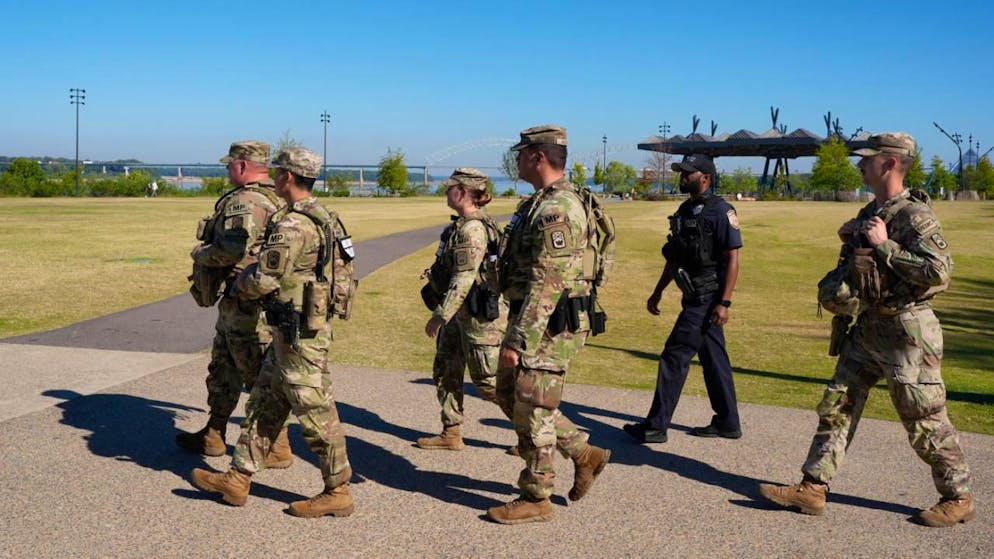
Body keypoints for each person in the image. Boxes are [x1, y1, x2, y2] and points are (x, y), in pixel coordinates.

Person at [759, 132, 974, 528]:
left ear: (890, 162)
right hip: (867, 327)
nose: (860, 163)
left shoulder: (914, 216)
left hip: (907, 333)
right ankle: (813, 487)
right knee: (837, 404)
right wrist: (853, 245)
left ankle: (957, 496)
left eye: (868, 158)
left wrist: (884, 245)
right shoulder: (870, 212)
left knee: (923, 418)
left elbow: (938, 272)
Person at [192, 147, 356, 518]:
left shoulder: (294, 225)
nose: (275, 177)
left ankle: (338, 490)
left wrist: (238, 287)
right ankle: (238, 478)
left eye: (278, 172)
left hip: (298, 333)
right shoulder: (326, 216)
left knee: (316, 413)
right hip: (294, 328)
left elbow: (265, 278)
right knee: (264, 402)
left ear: (286, 177)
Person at [487, 125, 611, 525]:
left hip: (547, 324)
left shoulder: (558, 209)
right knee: (509, 394)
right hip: (532, 317)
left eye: (522, 153)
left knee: (534, 406)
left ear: (538, 157)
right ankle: (582, 452)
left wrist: (519, 339)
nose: (517, 159)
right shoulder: (538, 202)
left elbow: (548, 281)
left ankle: (536, 497)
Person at [177, 140, 293, 469]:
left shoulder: (246, 200)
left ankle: (278, 444)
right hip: (239, 302)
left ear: (242, 165)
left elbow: (231, 252)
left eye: (230, 165)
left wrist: (199, 253)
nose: (227, 170)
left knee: (257, 371)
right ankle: (214, 433)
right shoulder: (273, 197)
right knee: (223, 366)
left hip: (248, 303)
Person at [623, 154, 742, 444]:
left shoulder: (721, 211)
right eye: (681, 172)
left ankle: (656, 426)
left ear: (705, 177)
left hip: (707, 297)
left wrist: (724, 303)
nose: (682, 176)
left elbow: (733, 259)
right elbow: (675, 257)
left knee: (674, 355)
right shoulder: (685, 210)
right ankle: (728, 422)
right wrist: (658, 290)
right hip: (692, 295)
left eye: (688, 172)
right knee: (714, 360)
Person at [417, 168, 512, 450]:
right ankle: (451, 432)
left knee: (489, 382)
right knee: (446, 369)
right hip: (461, 314)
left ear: (464, 192)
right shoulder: (460, 225)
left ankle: (531, 434)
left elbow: (464, 277)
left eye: (450, 188)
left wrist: (439, 315)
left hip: (479, 316)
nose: (446, 192)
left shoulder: (472, 229)